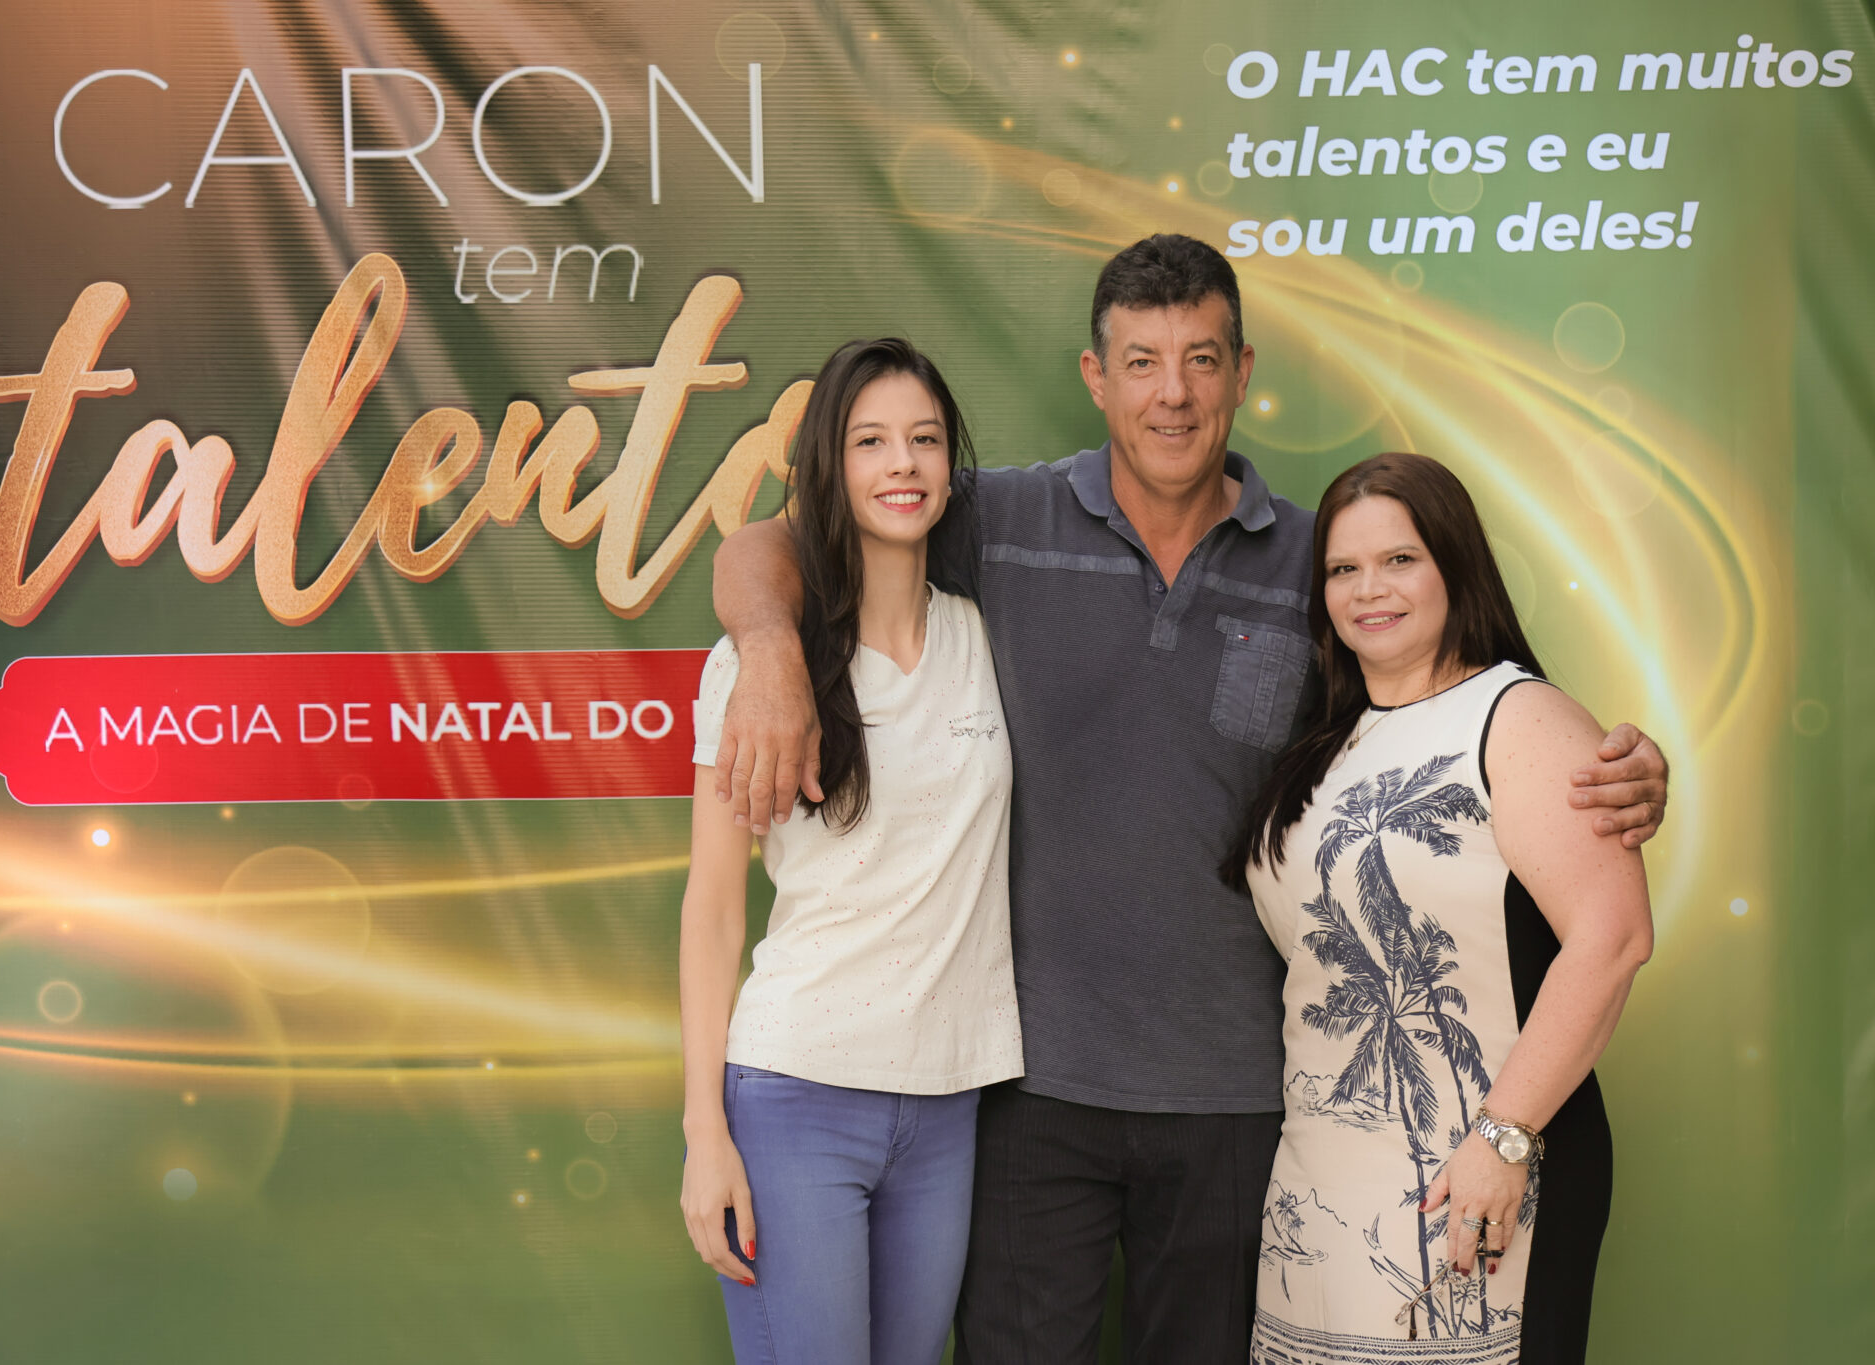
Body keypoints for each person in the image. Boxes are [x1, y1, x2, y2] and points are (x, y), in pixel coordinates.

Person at [710, 235, 1669, 1361]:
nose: (1172, 392)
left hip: (1239, 1103)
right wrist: (769, 650)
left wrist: (1607, 769)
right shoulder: (999, 523)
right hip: (1028, 1093)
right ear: (1094, 376)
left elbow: (1444, 709)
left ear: (1241, 370)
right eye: (1142, 361)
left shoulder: (1322, 564)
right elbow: (774, 542)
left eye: (1201, 359)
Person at [1231, 452, 1652, 1364]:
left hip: (1486, 1172)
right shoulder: (1327, 742)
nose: (1368, 589)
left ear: (1455, 564)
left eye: (1400, 559)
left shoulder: (1519, 716)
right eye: (1343, 568)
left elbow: (1612, 937)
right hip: (1321, 1183)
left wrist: (1503, 1139)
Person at [677, 338, 1024, 1365]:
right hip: (797, 1093)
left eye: (924, 439)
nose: (901, 464)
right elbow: (712, 910)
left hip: (950, 1103)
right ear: (827, 466)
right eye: (869, 441)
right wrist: (705, 1133)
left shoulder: (987, 637)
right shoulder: (755, 667)